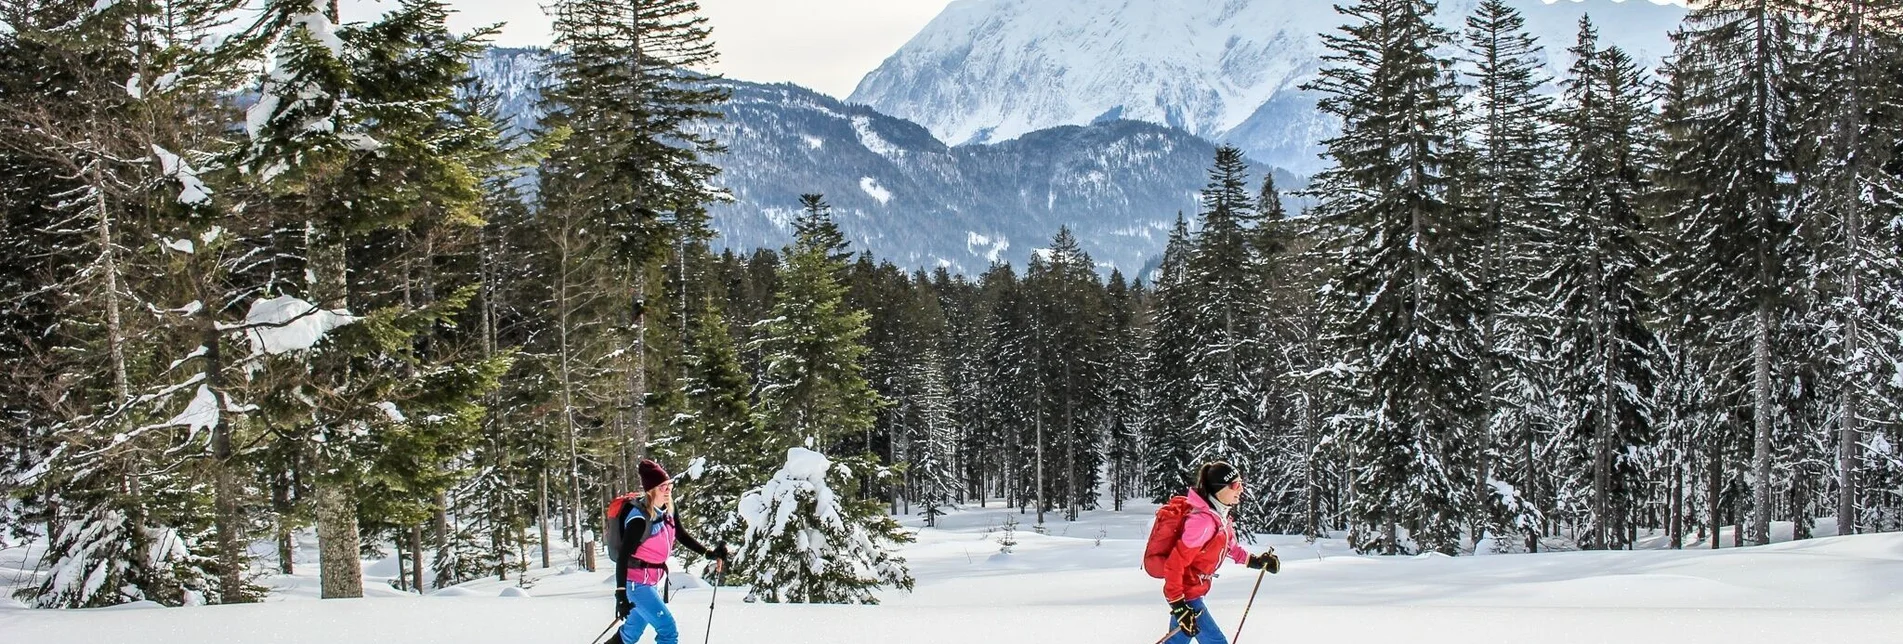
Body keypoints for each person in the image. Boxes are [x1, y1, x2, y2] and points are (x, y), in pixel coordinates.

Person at [612, 459, 730, 644]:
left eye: (669, 485)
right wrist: (620, 594)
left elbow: (681, 534)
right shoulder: (639, 520)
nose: (668, 490)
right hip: (636, 585)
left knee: (632, 631)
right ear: (651, 490)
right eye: (662, 487)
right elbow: (623, 557)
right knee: (668, 629)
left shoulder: (668, 510)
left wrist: (708, 553)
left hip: (650, 582)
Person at [1161, 461, 1279, 644]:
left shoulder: (1220, 518)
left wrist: (1255, 561)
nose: (1240, 490)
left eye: (1241, 484)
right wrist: (1178, 606)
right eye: (1235, 485)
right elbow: (1175, 564)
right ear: (1218, 489)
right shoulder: (1203, 522)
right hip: (1187, 596)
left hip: (1190, 594)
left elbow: (1231, 548)